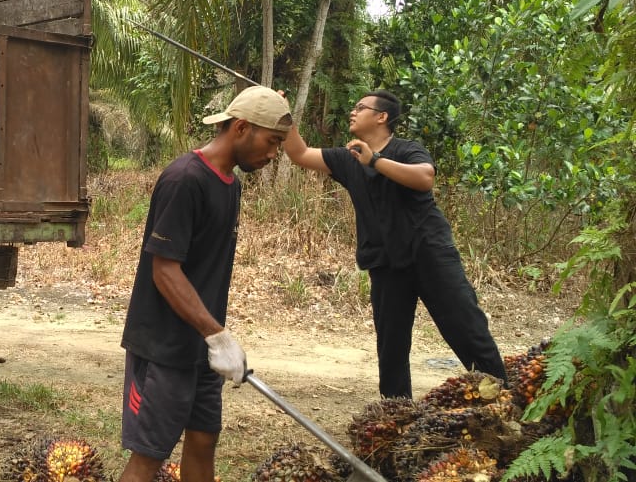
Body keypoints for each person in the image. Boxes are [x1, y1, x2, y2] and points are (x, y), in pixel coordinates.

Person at [281, 89, 507, 399]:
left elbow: (425, 177)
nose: (353, 111)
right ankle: (396, 418)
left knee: (468, 331)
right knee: (391, 348)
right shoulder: (348, 158)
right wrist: (283, 115)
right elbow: (300, 154)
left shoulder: (405, 150)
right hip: (386, 264)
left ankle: (506, 400)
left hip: (430, 256)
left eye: (361, 107)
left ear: (381, 117)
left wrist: (375, 160)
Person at [117, 86, 293, 482]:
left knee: (202, 440)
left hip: (202, 348)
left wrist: (213, 339)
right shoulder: (185, 179)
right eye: (272, 142)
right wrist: (216, 335)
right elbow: (164, 270)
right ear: (242, 128)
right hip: (164, 346)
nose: (273, 154)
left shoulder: (230, 183)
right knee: (150, 454)